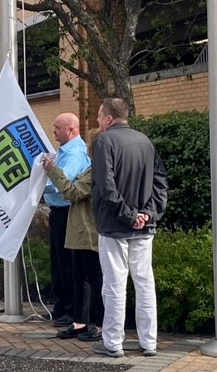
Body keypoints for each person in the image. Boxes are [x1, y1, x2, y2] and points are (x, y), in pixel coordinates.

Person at [91, 98, 168, 359]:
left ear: (109, 118)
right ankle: (149, 342)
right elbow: (160, 182)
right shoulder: (145, 141)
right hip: (144, 227)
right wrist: (146, 214)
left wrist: (128, 216)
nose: (97, 122)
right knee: (145, 283)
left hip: (114, 226)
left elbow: (105, 185)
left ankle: (113, 342)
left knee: (114, 285)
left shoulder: (104, 142)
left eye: (100, 116)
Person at [42, 128, 104, 342]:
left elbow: (73, 191)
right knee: (79, 276)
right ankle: (80, 321)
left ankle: (102, 325)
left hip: (88, 230)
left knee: (95, 278)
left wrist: (52, 171)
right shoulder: (91, 167)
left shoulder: (96, 169)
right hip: (79, 229)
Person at [43, 112, 91, 327]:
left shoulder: (74, 154)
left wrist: (36, 185)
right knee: (59, 262)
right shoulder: (63, 152)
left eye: (57, 127)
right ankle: (63, 305)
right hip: (59, 213)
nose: (53, 131)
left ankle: (71, 310)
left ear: (71, 129)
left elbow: (64, 182)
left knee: (68, 263)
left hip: (67, 213)